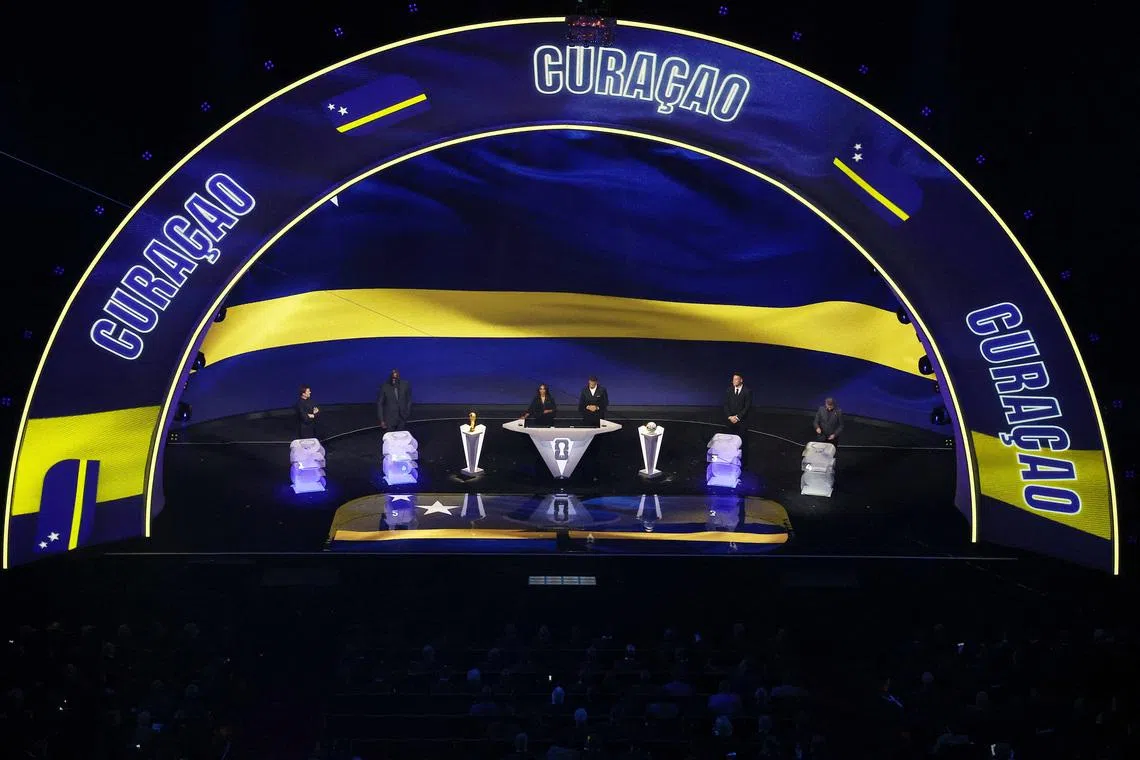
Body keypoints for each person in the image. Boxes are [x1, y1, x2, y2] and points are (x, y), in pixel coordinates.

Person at [723, 373, 752, 461]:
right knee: (730, 439)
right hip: (730, 421)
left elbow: (747, 407)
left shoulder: (747, 391)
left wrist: (738, 417)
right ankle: (730, 457)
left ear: (741, 380)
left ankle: (742, 461)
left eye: (736, 379)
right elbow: (726, 405)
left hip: (742, 421)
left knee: (742, 441)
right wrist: (730, 417)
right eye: (733, 379)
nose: (734, 381)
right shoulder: (729, 390)